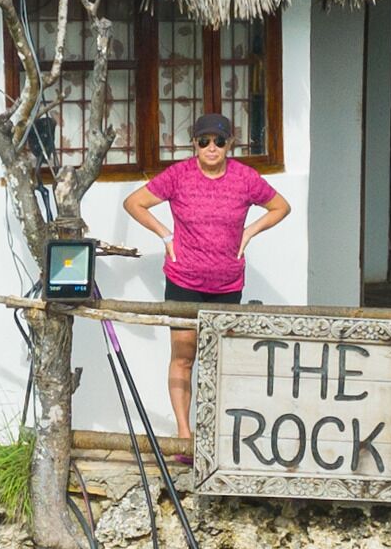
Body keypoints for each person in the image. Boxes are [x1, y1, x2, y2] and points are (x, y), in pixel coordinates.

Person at [122, 114, 290, 435]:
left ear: (230, 144)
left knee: (220, 362)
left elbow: (281, 206)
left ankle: (216, 433)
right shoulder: (178, 175)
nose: (211, 147)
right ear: (194, 145)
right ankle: (185, 434)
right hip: (184, 281)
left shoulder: (245, 178)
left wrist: (251, 231)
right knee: (184, 357)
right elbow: (134, 203)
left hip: (227, 284)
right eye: (204, 141)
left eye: (219, 141)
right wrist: (165, 235)